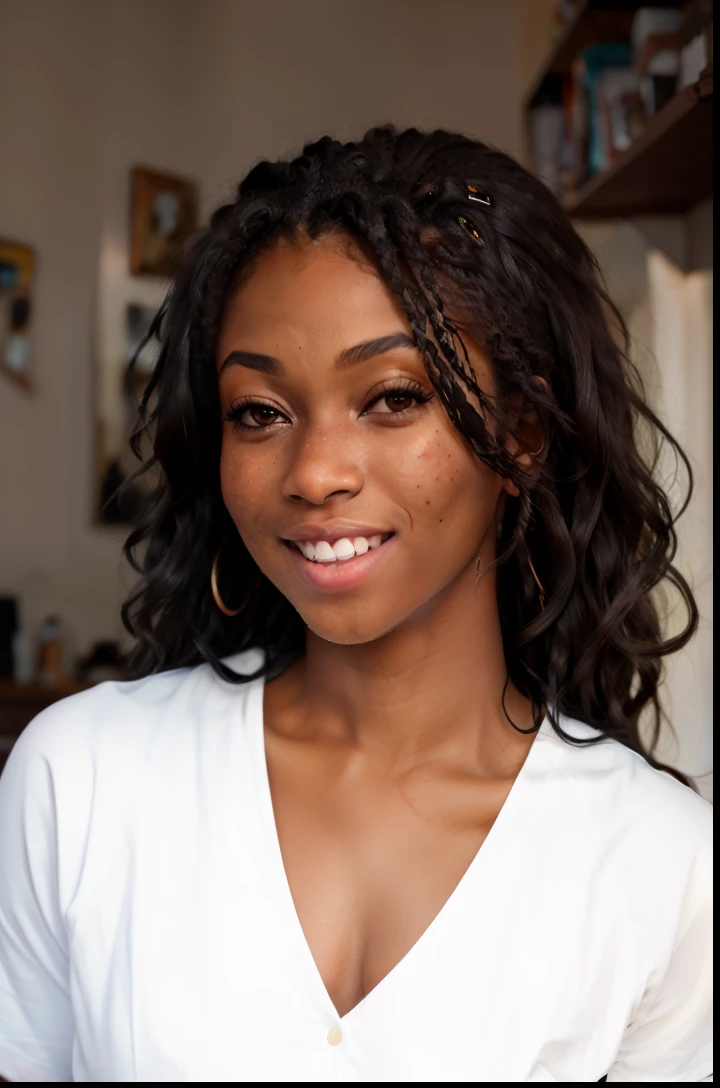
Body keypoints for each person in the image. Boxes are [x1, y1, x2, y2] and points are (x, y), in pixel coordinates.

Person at [0, 127, 712, 1083]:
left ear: (525, 435)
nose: (315, 473)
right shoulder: (82, 782)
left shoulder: (661, 868)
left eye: (391, 397)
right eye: (260, 411)